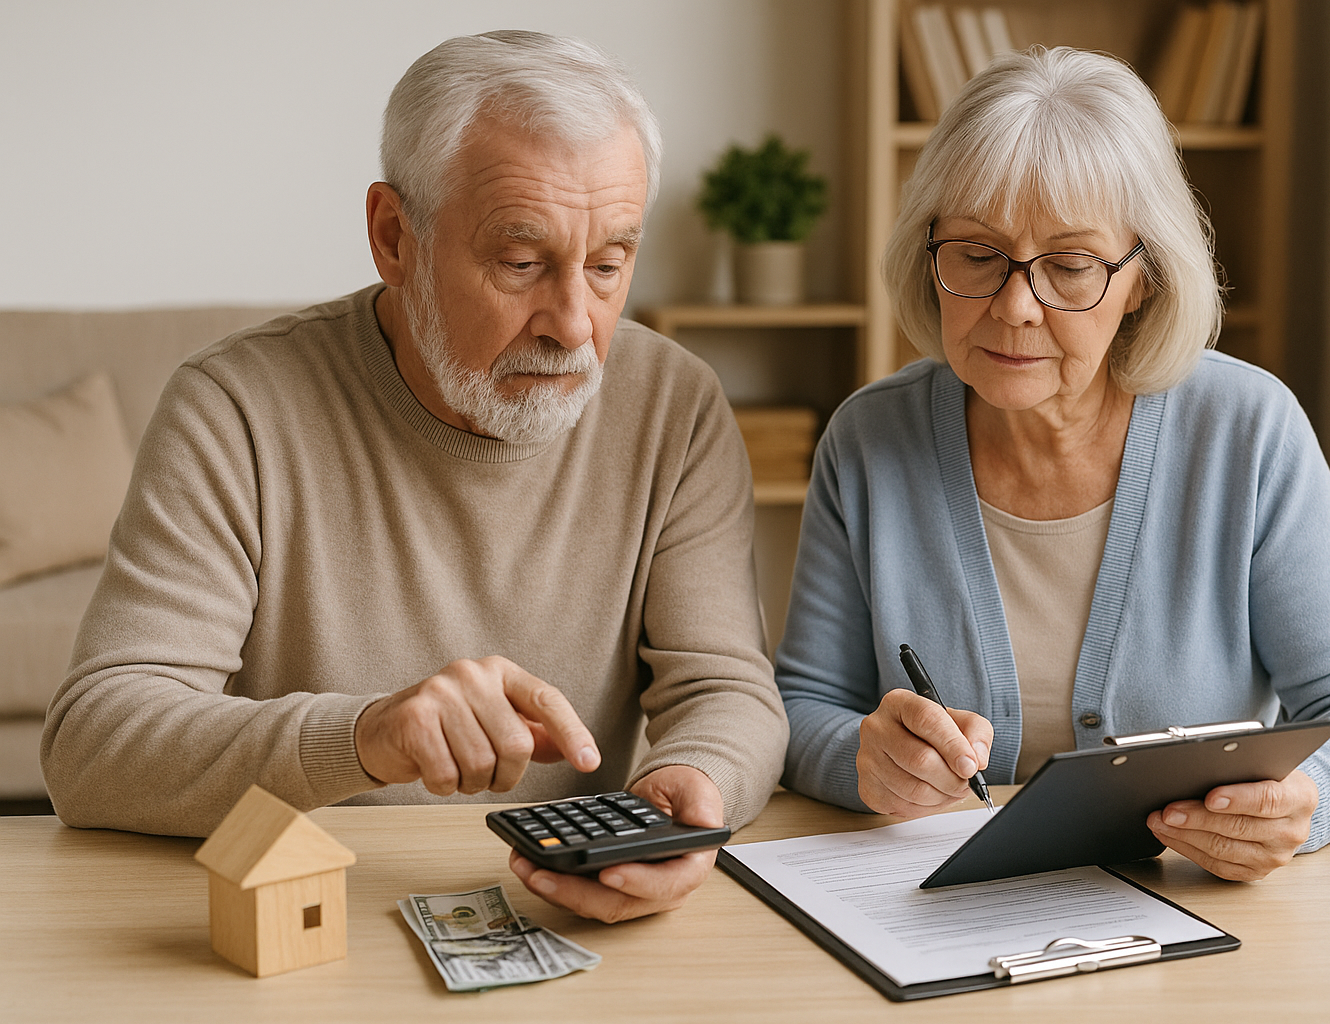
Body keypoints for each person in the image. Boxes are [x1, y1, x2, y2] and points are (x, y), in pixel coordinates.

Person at [41, 30, 788, 922]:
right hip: (298, 906)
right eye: (521, 262)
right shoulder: (232, 406)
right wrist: (363, 738)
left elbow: (727, 691)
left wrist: (680, 795)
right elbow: (95, 742)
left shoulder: (676, 405)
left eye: (607, 264)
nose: (576, 326)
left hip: (558, 913)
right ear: (394, 237)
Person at [774, 47, 1330, 882]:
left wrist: (1309, 801)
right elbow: (798, 708)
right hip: (935, 909)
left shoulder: (1246, 429)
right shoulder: (868, 441)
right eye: (975, 255)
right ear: (927, 255)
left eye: (1070, 266)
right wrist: (859, 757)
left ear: (1142, 279)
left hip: (1198, 909)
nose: (1015, 307)